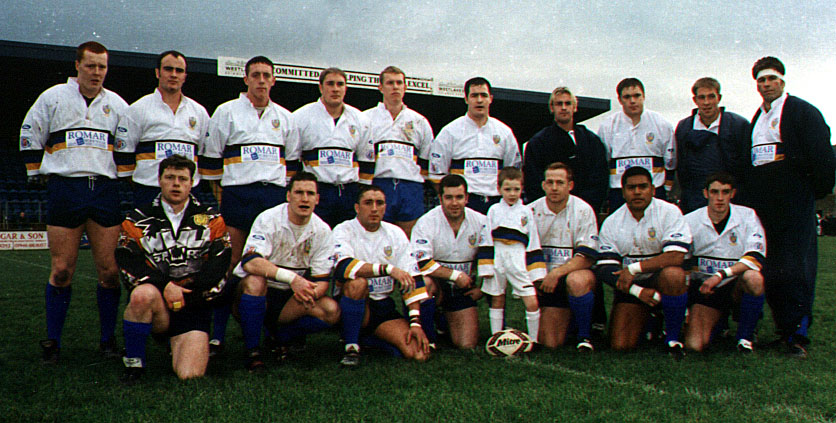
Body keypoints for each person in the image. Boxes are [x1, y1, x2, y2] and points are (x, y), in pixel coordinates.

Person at [20, 41, 129, 363]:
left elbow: (125, 148)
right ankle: (52, 341)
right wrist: (38, 173)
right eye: (91, 65)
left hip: (104, 190)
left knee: (109, 272)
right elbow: (29, 135)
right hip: (66, 188)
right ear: (78, 66)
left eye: (102, 67)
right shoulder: (53, 97)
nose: (97, 72)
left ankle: (107, 341)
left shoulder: (118, 104)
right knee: (63, 269)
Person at [735, 57, 835, 358]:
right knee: (772, 266)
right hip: (765, 203)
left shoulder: (801, 112)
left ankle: (798, 335)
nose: (766, 85)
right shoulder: (758, 118)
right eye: (761, 80)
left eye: (771, 79)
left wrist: (808, 192)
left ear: (782, 81)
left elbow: (822, 158)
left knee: (796, 267)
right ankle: (783, 329)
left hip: (792, 201)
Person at [201, 56, 300, 353]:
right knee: (229, 263)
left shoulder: (285, 116)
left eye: (266, 75)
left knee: (271, 264)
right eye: (255, 75)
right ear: (245, 79)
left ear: (273, 80)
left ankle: (268, 329)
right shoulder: (227, 111)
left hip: (272, 197)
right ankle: (217, 334)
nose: (260, 80)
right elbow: (210, 160)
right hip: (238, 195)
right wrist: (223, 195)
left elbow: (292, 163)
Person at [116, 155, 231, 383]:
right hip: (158, 303)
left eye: (182, 178)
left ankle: (177, 343)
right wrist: (165, 286)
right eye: (169, 177)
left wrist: (191, 295)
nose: (176, 184)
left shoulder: (211, 218)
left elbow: (220, 264)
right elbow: (128, 262)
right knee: (141, 295)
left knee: (190, 374)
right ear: (159, 180)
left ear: (192, 182)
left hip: (194, 303)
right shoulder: (137, 219)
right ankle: (134, 363)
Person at [232, 172, 339, 371]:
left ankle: (280, 337)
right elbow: (250, 262)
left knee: (330, 311)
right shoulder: (269, 218)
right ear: (288, 196)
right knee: (256, 281)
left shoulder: (323, 230)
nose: (304, 198)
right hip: (254, 291)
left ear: (317, 199)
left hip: (290, 297)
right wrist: (292, 278)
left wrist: (309, 292)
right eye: (299, 192)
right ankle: (252, 351)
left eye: (310, 193)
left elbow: (323, 280)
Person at [595, 166, 692, 358]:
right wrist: (638, 291)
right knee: (621, 345)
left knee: (674, 275)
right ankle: (652, 318)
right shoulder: (612, 222)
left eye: (643, 187)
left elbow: (676, 256)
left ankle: (673, 339)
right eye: (631, 188)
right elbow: (606, 269)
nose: (637, 192)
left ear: (653, 189)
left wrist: (633, 268)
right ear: (623, 192)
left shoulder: (670, 212)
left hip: (660, 280)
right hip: (632, 287)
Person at [332, 185, 431, 367]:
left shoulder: (395, 233)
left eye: (380, 203)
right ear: (357, 207)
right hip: (354, 302)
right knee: (358, 283)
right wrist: (387, 269)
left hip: (382, 305)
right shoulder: (343, 230)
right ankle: (351, 346)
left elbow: (412, 278)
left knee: (417, 353)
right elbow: (342, 267)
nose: (374, 208)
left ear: (385, 207)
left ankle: (369, 339)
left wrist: (415, 322)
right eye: (368, 203)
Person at [682, 172, 765, 353]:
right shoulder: (690, 220)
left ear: (732, 193)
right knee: (694, 345)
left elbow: (755, 257)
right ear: (706, 193)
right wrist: (687, 309)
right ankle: (718, 323)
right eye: (714, 192)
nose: (719, 198)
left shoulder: (747, 216)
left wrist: (720, 275)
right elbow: (684, 264)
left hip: (734, 286)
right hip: (707, 290)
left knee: (754, 278)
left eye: (725, 192)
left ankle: (745, 338)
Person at [115, 50, 210, 207]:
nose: (174, 74)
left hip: (189, 193)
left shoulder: (199, 112)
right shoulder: (138, 109)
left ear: (185, 76)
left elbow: (203, 153)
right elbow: (124, 157)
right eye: (168, 69)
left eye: (179, 71)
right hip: (148, 189)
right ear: (158, 72)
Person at [411, 174, 489, 349]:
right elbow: (421, 263)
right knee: (425, 283)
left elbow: (492, 258)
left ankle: (443, 320)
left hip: (463, 290)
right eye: (449, 197)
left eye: (459, 197)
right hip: (437, 287)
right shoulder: (426, 222)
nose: (454, 203)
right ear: (440, 198)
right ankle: (429, 339)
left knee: (466, 344)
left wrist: (482, 287)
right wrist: (455, 275)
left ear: (467, 198)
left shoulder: (481, 221)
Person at [529, 163, 599, 351]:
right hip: (545, 283)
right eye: (549, 182)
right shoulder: (530, 212)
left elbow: (587, 256)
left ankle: (584, 336)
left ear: (570, 185)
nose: (554, 187)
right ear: (543, 185)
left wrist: (557, 273)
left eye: (560, 182)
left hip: (570, 277)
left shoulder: (584, 210)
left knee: (578, 279)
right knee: (550, 343)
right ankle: (570, 321)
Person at [429, 77, 522, 214]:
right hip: (464, 204)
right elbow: (437, 174)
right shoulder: (450, 131)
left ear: (490, 98)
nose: (479, 100)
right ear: (466, 99)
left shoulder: (505, 132)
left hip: (496, 203)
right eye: (474, 95)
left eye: (483, 95)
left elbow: (513, 173)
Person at [292, 67, 372, 228]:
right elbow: (292, 158)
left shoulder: (360, 118)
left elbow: (366, 161)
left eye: (340, 84)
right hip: (317, 191)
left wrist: (361, 194)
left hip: (349, 192)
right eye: (330, 84)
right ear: (321, 87)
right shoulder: (301, 116)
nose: (335, 89)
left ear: (345, 88)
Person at [362, 66, 434, 237]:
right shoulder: (366, 118)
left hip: (410, 186)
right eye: (390, 83)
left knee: (410, 236)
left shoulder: (419, 121)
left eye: (399, 83)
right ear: (380, 87)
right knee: (376, 234)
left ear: (405, 87)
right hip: (380, 184)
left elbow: (426, 158)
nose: (395, 87)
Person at [481, 167, 545, 342]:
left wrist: (536, 271)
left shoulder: (526, 212)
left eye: (516, 189)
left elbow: (533, 241)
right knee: (497, 299)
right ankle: (496, 338)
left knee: (531, 301)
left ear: (522, 188)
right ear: (499, 188)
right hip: (498, 258)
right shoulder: (493, 210)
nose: (512, 193)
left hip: (518, 258)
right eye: (507, 189)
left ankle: (533, 340)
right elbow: (486, 239)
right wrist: (486, 266)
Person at [523, 87, 608, 212]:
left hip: (585, 211)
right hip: (550, 212)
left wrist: (585, 208)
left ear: (574, 107)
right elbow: (533, 182)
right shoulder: (538, 143)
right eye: (559, 104)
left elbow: (600, 178)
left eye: (568, 103)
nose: (563, 108)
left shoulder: (591, 140)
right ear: (552, 108)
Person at [597, 78, 675, 211]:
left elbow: (671, 162)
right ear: (620, 100)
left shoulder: (662, 124)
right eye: (627, 97)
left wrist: (666, 188)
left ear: (643, 97)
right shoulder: (608, 126)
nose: (632, 101)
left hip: (654, 190)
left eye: (636, 95)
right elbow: (603, 161)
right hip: (620, 192)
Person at [674, 78, 750, 214]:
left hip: (729, 198)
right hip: (694, 198)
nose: (706, 102)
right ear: (695, 100)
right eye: (701, 97)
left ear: (719, 98)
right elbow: (681, 167)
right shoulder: (684, 127)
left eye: (711, 96)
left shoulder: (738, 125)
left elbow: (745, 167)